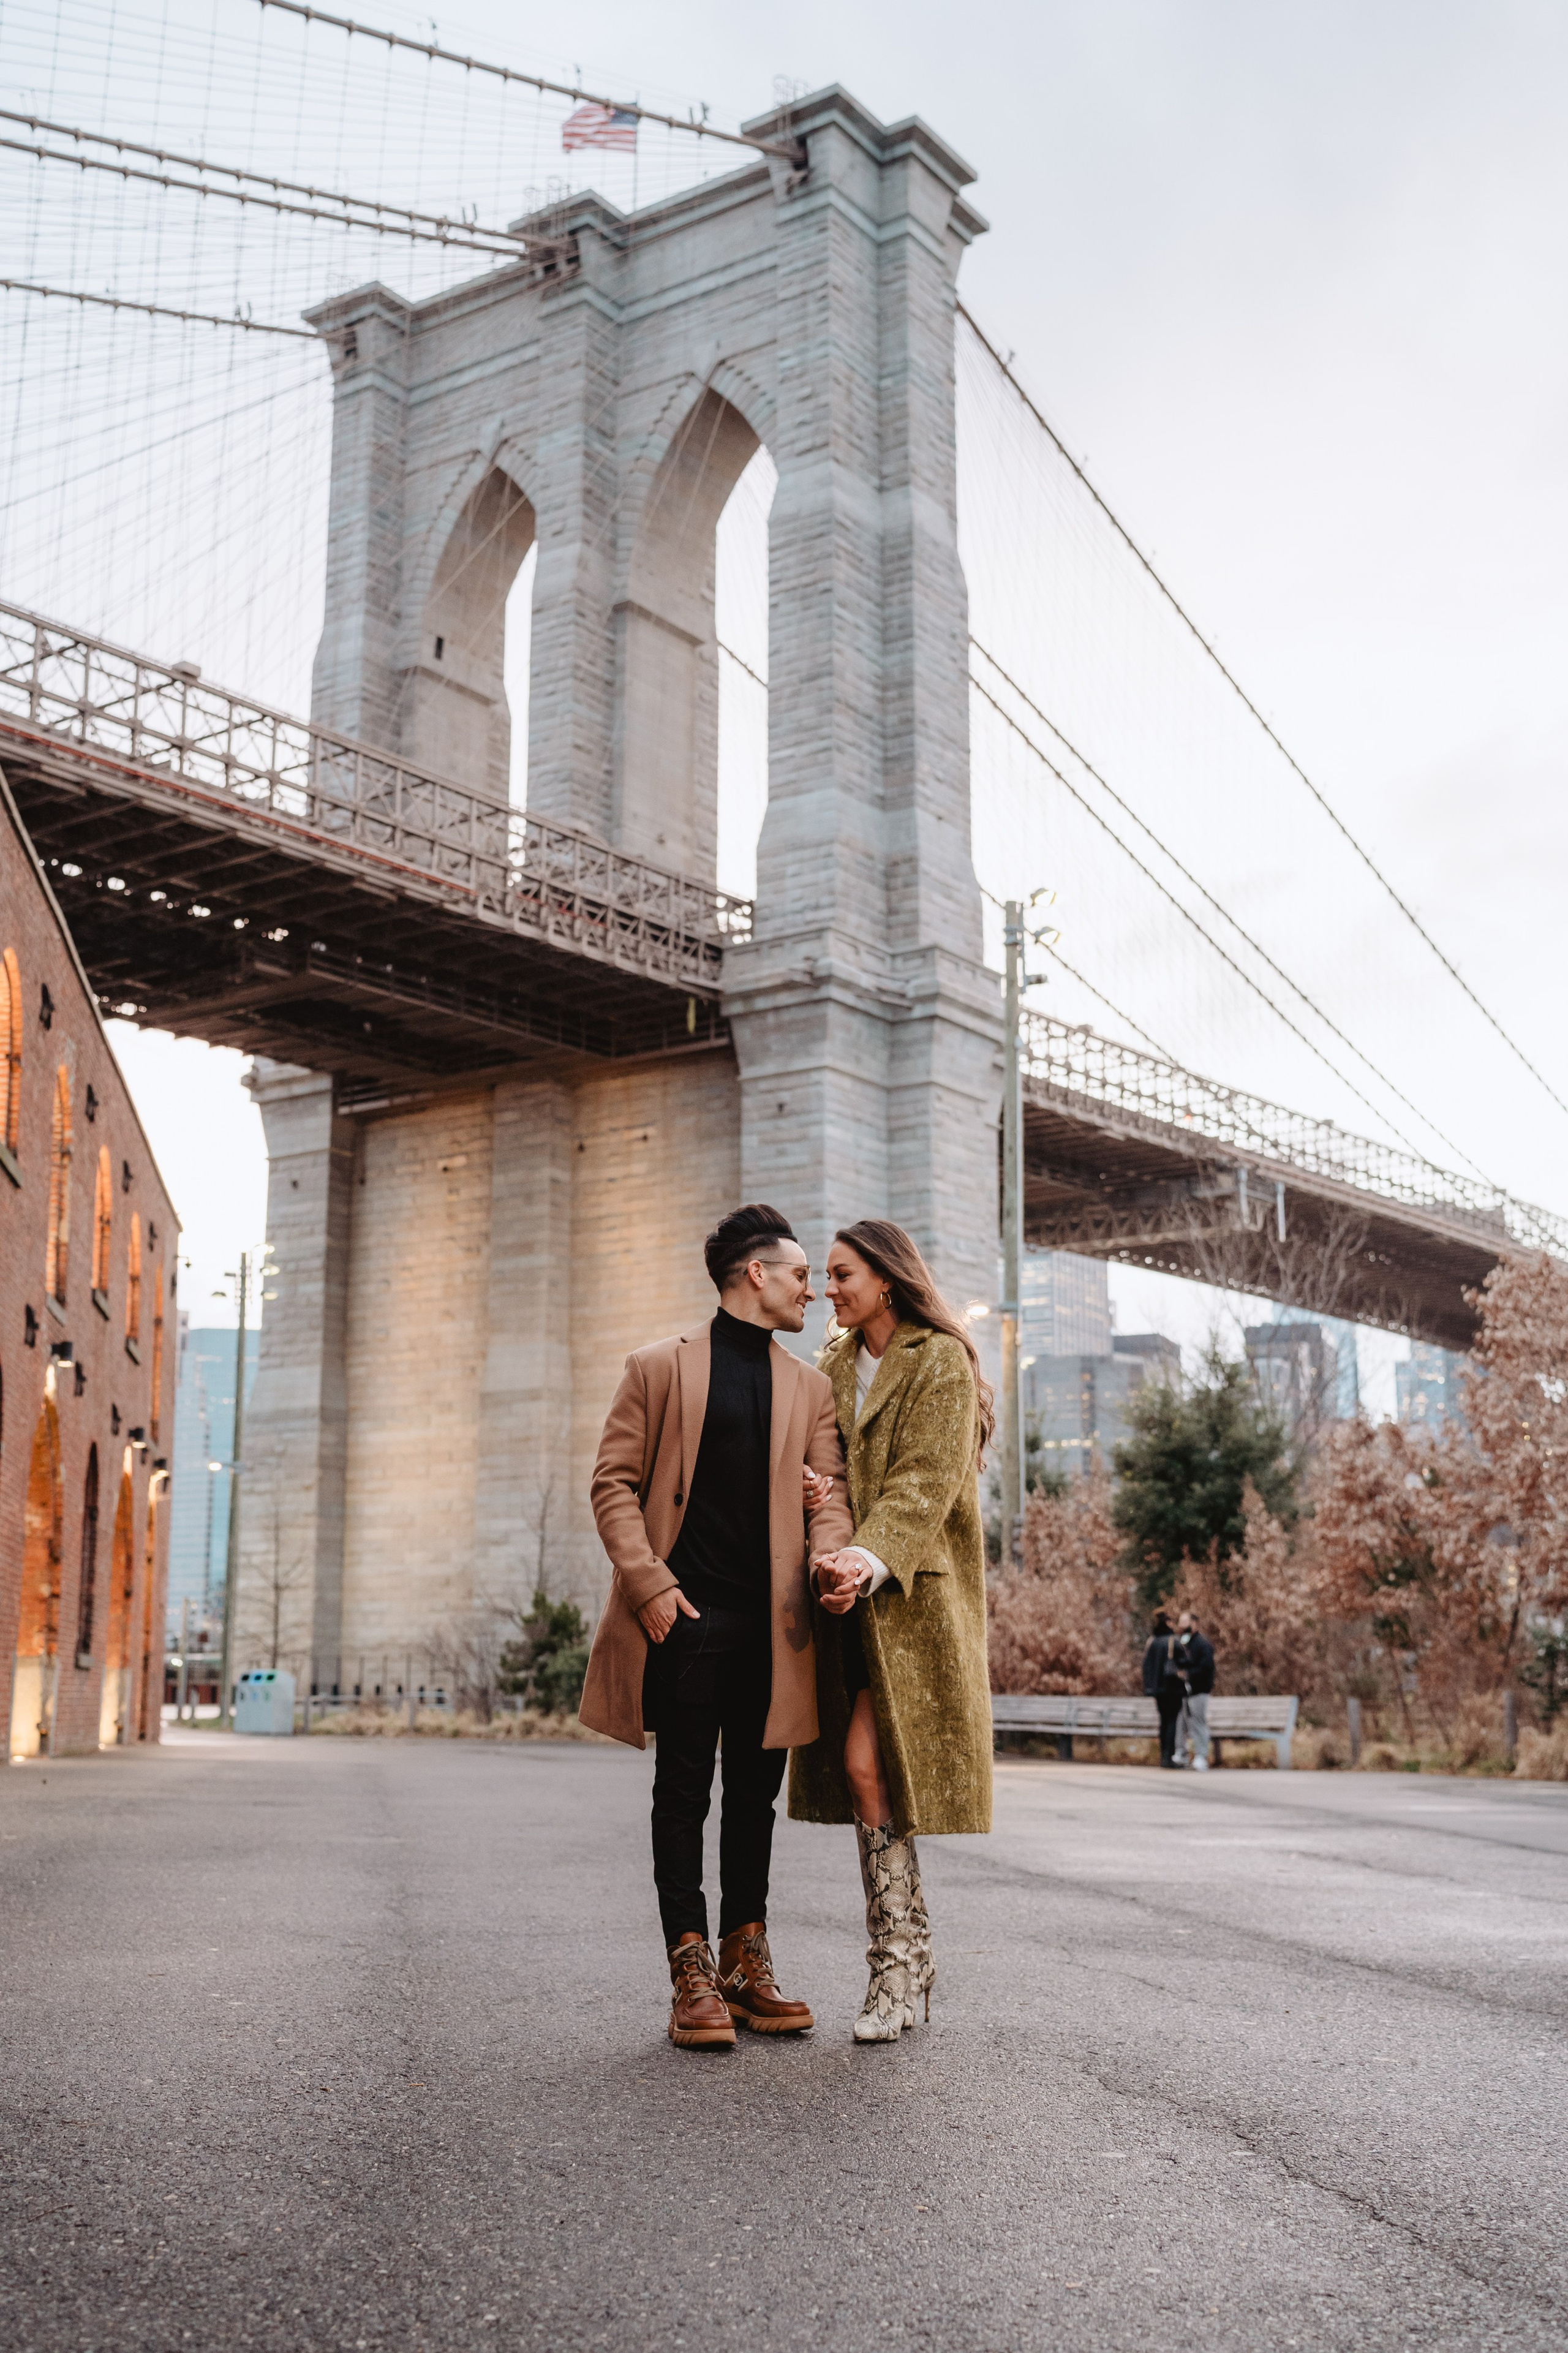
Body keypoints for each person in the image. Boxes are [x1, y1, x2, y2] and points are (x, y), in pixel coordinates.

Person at [579, 1204, 854, 2050]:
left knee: (754, 1805)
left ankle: (745, 1964)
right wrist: (650, 1584)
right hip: (684, 1620)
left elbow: (831, 1495)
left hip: (776, 1629)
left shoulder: (810, 1386)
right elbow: (613, 1484)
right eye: (803, 1272)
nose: (814, 1287)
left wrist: (831, 1560)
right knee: (683, 1795)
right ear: (756, 1274)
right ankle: (690, 1970)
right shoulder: (659, 1367)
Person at [788, 1219, 994, 2044]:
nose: (828, 1289)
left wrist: (866, 1560)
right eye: (826, 1277)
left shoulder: (939, 1359)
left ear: (886, 1276)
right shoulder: (832, 1365)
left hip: (910, 1600)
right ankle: (907, 1960)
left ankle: (898, 1967)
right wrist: (813, 1503)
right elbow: (827, 1470)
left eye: (841, 1274)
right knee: (868, 1777)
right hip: (844, 1597)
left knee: (869, 1765)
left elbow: (926, 1481)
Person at [1173, 1609, 1215, 1770]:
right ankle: (1181, 1753)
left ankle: (1201, 1756)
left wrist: (1188, 1674)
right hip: (1184, 1691)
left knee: (1198, 1723)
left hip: (1199, 1690)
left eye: (1184, 1623)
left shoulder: (1203, 1644)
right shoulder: (1184, 1642)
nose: (1181, 1626)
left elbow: (1207, 1667)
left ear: (1194, 1623)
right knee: (1182, 1723)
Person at [1142, 1610, 1185, 1768]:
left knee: (1164, 1722)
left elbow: (1146, 1666)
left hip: (1157, 1690)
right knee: (1172, 1722)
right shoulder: (1173, 1641)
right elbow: (1185, 1662)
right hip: (1172, 1688)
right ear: (1168, 1623)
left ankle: (1163, 1756)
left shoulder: (1152, 1642)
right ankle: (1169, 1757)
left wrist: (1150, 1686)